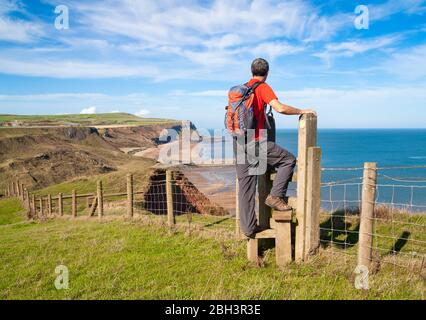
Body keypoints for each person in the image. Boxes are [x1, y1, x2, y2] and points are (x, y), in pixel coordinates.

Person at [235, 58, 317, 238]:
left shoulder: (242, 90)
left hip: (240, 142)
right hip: (255, 142)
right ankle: (275, 196)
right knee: (288, 160)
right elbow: (279, 108)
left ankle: (249, 229)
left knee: (246, 188)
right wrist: (302, 111)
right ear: (267, 72)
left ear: (251, 71)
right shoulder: (262, 87)